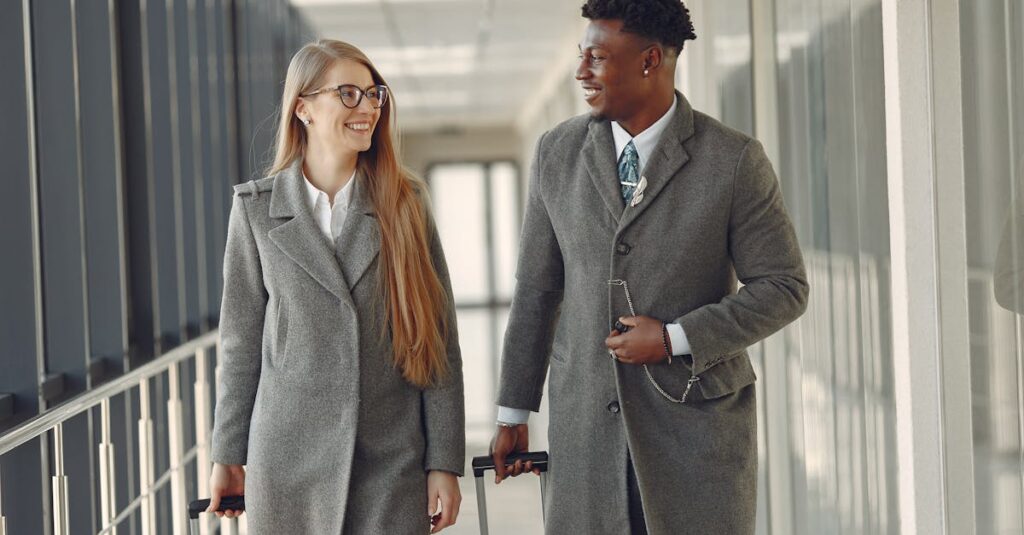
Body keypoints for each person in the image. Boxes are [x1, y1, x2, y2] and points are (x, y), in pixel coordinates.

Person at [490, 1, 808, 534]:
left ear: (649, 60)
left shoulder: (732, 160)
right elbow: (537, 292)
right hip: (587, 429)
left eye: (597, 57)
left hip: (695, 434)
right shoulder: (556, 154)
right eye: (580, 55)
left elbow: (783, 287)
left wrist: (675, 338)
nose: (580, 71)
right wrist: (513, 412)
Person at [206, 39, 464, 534]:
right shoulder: (256, 210)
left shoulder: (405, 204)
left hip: (391, 459)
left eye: (374, 94)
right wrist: (227, 454)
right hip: (286, 463)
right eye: (348, 94)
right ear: (303, 107)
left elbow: (440, 344)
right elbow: (239, 346)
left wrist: (444, 460)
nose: (367, 107)